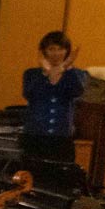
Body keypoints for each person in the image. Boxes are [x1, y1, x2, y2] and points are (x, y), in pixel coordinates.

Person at [20, 29, 86, 163]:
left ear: (67, 51)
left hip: (61, 137)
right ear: (44, 52)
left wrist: (66, 68)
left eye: (60, 49)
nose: (56, 53)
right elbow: (29, 93)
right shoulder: (31, 74)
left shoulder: (77, 73)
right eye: (51, 49)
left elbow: (77, 91)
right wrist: (46, 73)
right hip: (35, 135)